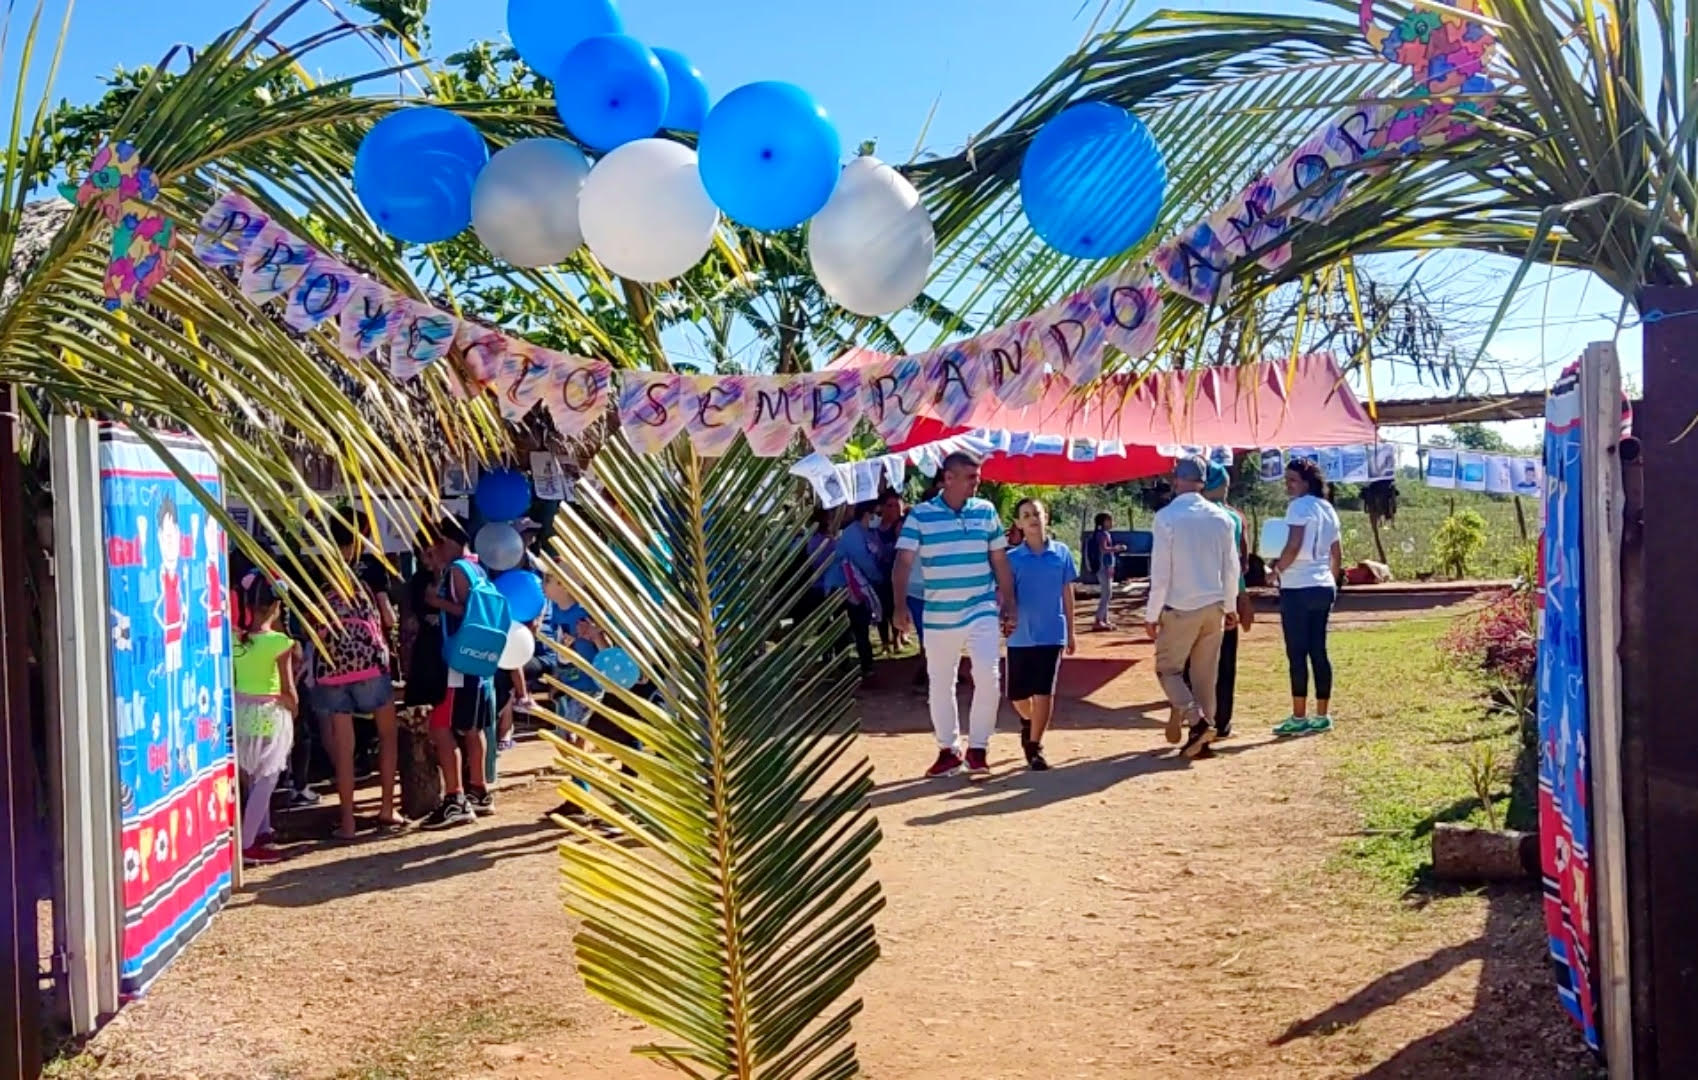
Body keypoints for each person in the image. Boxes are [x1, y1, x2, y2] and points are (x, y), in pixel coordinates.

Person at [892, 450, 1016, 779]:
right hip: (938, 614)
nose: (978, 483)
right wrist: (900, 606)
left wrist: (1010, 604)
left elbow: (1000, 560)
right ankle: (948, 749)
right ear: (949, 478)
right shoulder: (920, 516)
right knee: (940, 683)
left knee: (989, 677)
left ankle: (978, 748)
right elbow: (903, 562)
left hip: (981, 608)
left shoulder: (986, 512)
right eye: (971, 477)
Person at [1146, 456, 1241, 759]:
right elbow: (1231, 568)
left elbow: (1160, 572)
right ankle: (1203, 741)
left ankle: (1195, 721)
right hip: (1213, 606)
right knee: (1205, 677)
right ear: (1202, 482)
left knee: (1167, 670)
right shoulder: (1222, 518)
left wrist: (1151, 613)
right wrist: (1230, 606)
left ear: (1176, 480)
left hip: (1180, 607)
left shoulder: (1166, 518)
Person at [313, 520, 401, 840]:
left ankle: (348, 823)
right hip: (370, 667)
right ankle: (387, 810)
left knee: (343, 747)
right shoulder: (371, 571)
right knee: (388, 735)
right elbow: (388, 616)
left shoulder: (322, 575)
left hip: (335, 669)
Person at [420, 520, 499, 828]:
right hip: (478, 660)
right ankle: (479, 790)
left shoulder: (458, 571)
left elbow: (467, 612)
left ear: (449, 542)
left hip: (458, 660)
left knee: (441, 726)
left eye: (437, 543)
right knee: (472, 727)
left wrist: (436, 601)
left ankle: (455, 798)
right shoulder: (478, 567)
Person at [1271, 458, 1343, 737]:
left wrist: (1276, 570)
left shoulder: (1298, 507)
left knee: (1297, 653)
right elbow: (1337, 553)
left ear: (1306, 482)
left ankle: (1299, 715)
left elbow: (1293, 544)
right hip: (1322, 585)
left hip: (1297, 586)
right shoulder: (1328, 509)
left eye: (1292, 480)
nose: (1288, 485)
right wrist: (1333, 582)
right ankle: (1322, 714)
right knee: (1319, 651)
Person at [1004, 498, 1078, 771]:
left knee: (1044, 692)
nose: (1033, 518)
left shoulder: (1061, 553)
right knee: (1017, 696)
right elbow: (1005, 596)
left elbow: (1067, 593)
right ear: (1019, 524)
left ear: (1046, 516)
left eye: (1037, 513)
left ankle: (1035, 747)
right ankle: (1029, 722)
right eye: (1026, 515)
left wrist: (1071, 631)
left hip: (1051, 633)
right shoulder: (1011, 559)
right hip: (1020, 635)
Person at [231, 572, 299, 866]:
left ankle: (261, 832)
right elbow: (287, 688)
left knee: (253, 776)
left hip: (242, 710)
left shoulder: (235, 639)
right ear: (276, 606)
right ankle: (246, 843)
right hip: (270, 712)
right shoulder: (280, 642)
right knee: (268, 777)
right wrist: (294, 707)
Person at [1186, 463, 1251, 739]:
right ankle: (1222, 722)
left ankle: (1198, 719)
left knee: (1192, 663)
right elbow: (1240, 564)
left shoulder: (1185, 515)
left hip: (1190, 598)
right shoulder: (1234, 518)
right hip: (1227, 597)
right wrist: (1241, 597)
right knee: (1225, 663)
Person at [837, 501, 885, 678]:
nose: (879, 518)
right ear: (867, 514)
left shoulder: (870, 532)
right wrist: (878, 577)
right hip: (846, 587)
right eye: (877, 513)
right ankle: (858, 665)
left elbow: (879, 554)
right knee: (856, 626)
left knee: (861, 626)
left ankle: (866, 663)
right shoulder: (853, 533)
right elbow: (863, 560)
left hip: (863, 586)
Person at [874, 490, 906, 652]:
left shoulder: (900, 526)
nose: (893, 509)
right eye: (889, 505)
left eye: (896, 505)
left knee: (895, 606)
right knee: (881, 608)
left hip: (896, 573)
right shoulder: (876, 527)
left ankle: (897, 639)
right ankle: (884, 641)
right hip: (879, 574)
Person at [1090, 512, 1127, 631]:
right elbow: (1104, 549)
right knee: (1106, 594)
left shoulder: (1104, 534)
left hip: (1107, 567)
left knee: (1108, 593)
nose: (1111, 522)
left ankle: (1104, 620)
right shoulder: (1102, 535)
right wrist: (1117, 548)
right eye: (1109, 520)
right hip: (1103, 568)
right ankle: (1098, 620)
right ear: (1103, 522)